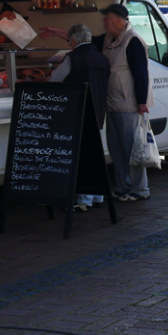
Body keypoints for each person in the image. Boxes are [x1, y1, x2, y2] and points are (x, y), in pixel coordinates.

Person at [40, 4, 153, 202]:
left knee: (132, 148)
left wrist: (142, 102)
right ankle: (123, 187)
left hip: (129, 104)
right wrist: (56, 32)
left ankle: (140, 189)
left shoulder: (132, 39)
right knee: (117, 148)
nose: (104, 23)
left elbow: (140, 73)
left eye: (107, 19)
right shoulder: (109, 39)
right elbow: (83, 41)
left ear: (118, 20)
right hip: (112, 103)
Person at [50, 23, 111, 212]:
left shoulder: (73, 58)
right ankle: (97, 195)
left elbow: (55, 79)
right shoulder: (102, 58)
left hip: (79, 111)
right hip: (99, 111)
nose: (69, 44)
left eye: (69, 41)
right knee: (95, 154)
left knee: (82, 156)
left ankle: (84, 200)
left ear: (74, 41)